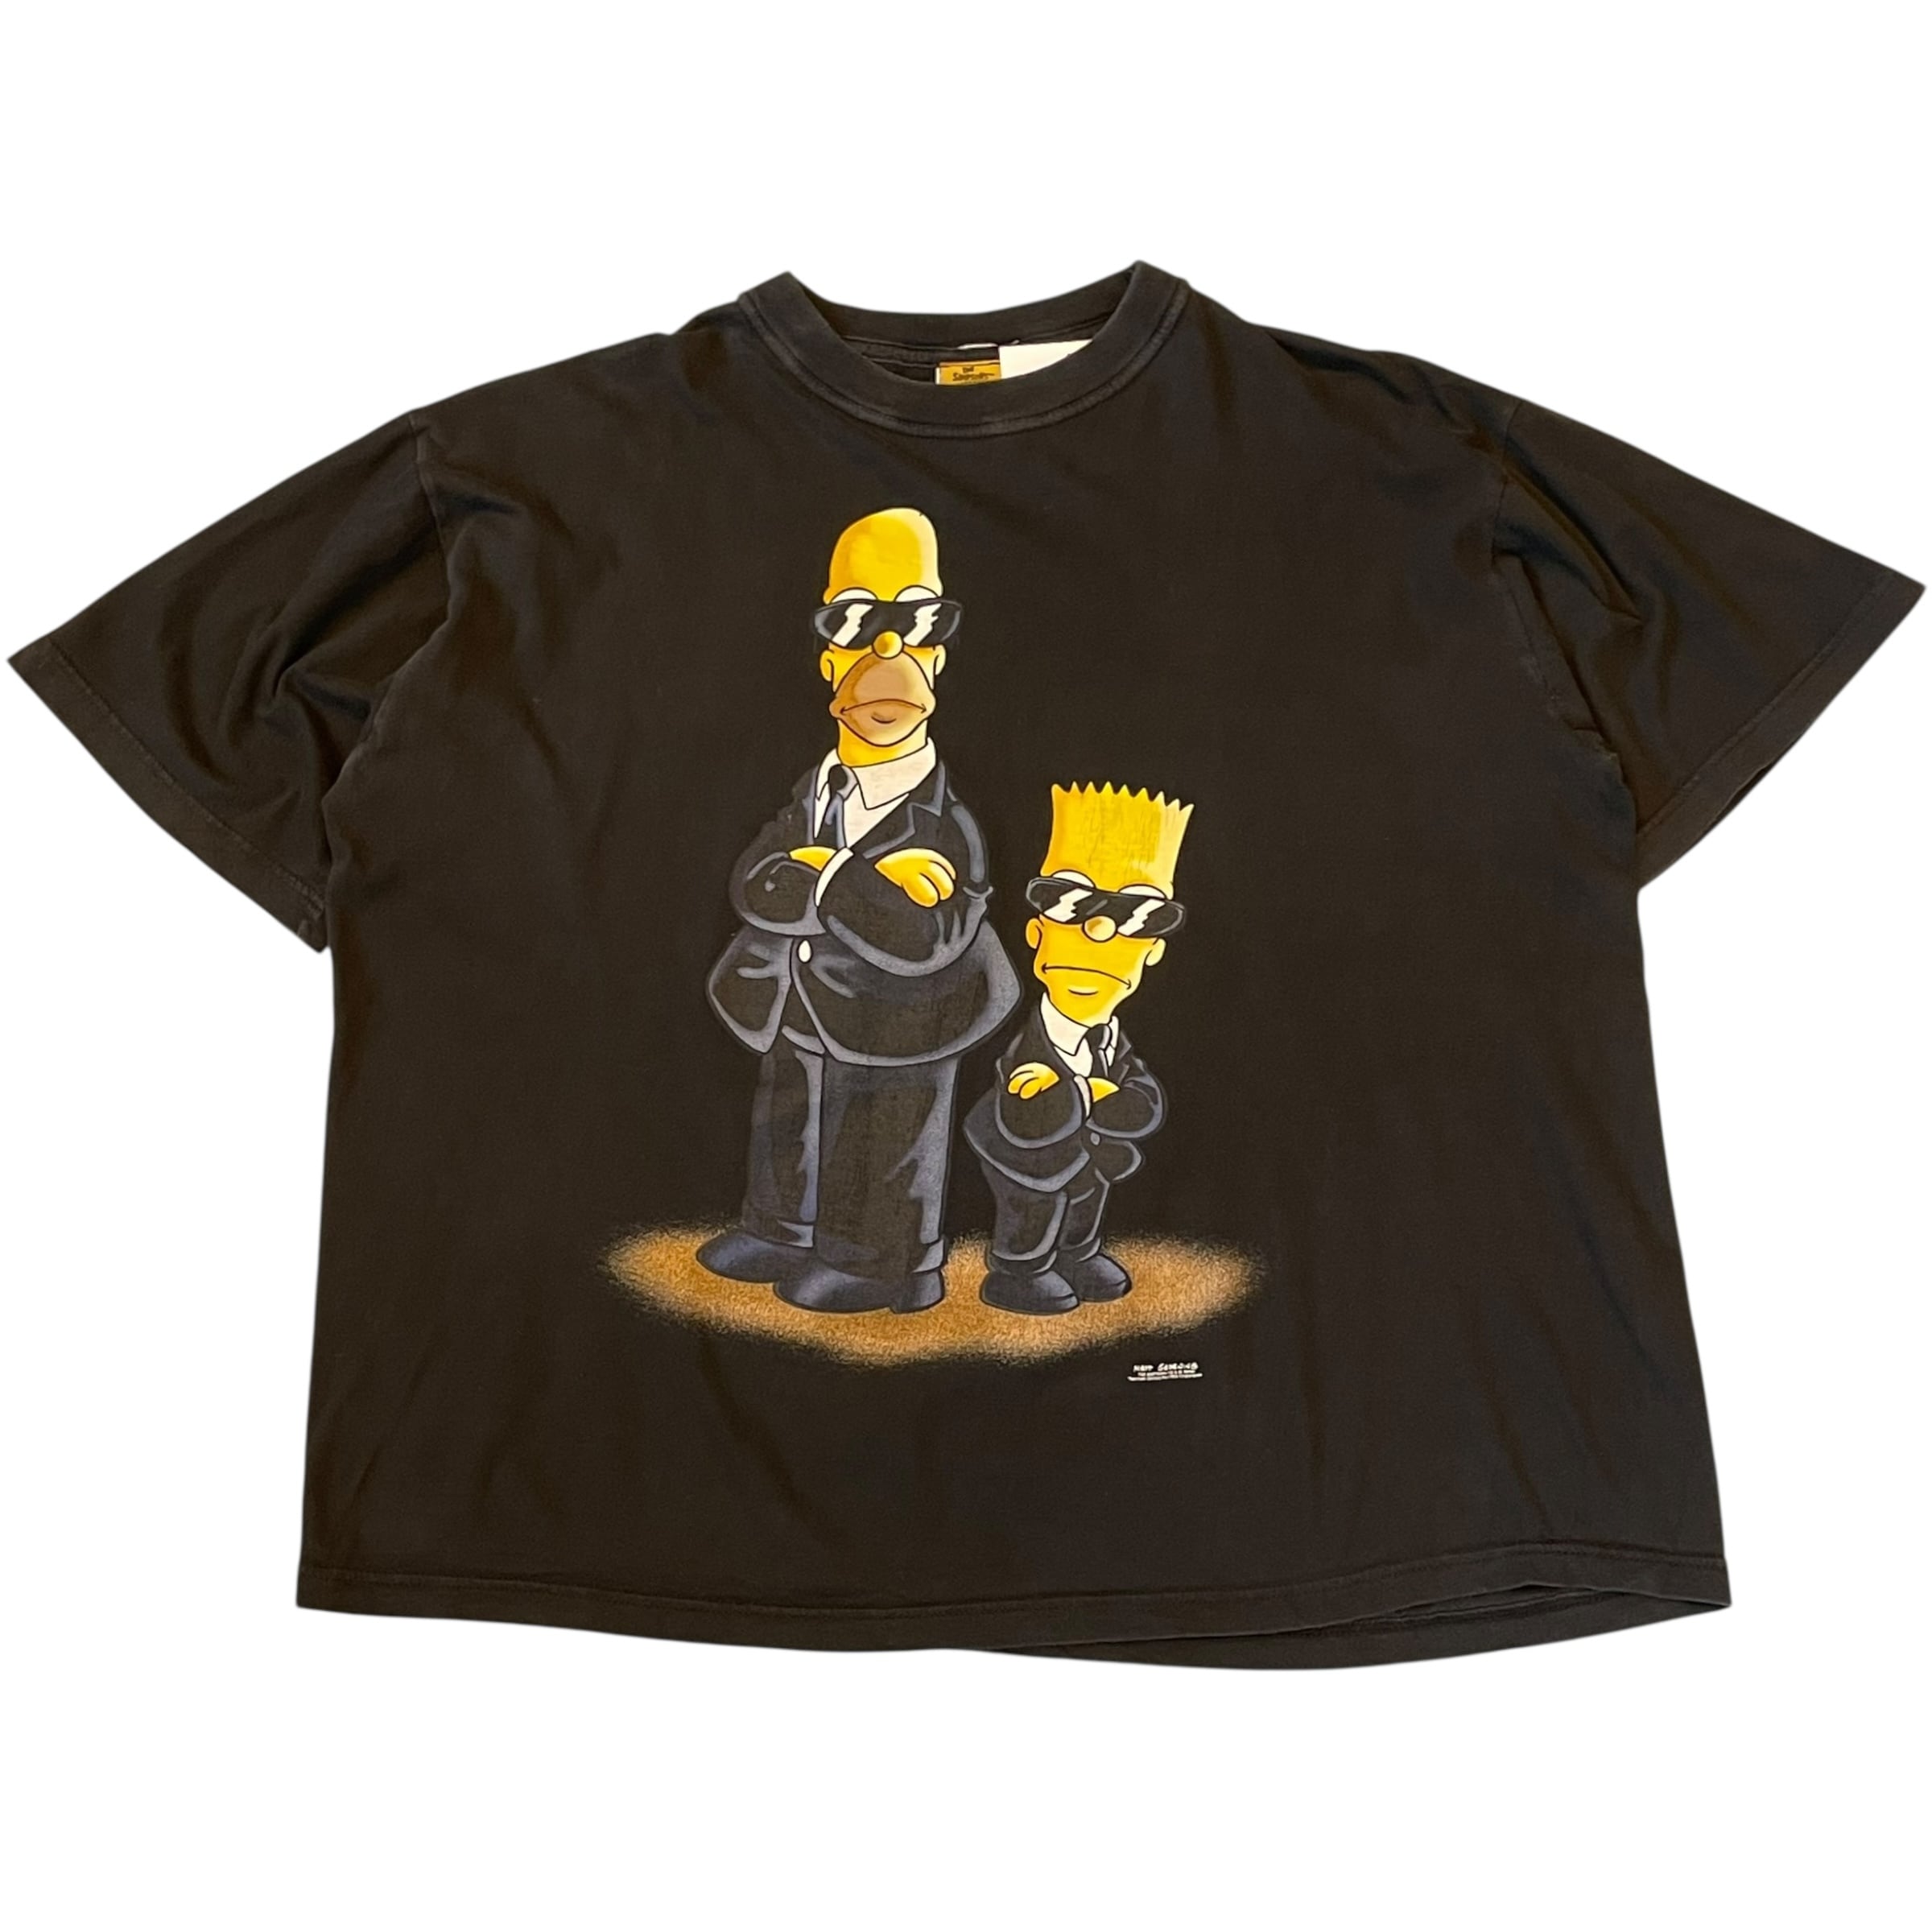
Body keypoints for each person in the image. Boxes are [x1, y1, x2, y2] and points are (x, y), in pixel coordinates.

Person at [701, 509, 1019, 1314]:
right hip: (801, 1002)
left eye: (914, 625)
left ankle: (888, 1265)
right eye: (855, 624)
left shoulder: (948, 826)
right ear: (827, 658)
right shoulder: (813, 792)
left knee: (888, 1136)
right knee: (793, 1113)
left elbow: (921, 939)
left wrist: (826, 873)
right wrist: (853, 879)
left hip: (907, 1018)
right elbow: (755, 883)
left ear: (938, 655)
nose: (886, 655)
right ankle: (782, 1227)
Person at [966, 783, 1193, 1315]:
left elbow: (1142, 1102)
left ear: (1152, 952)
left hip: (1087, 1154)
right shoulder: (1024, 1040)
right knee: (1034, 1204)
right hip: (1023, 1156)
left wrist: (1095, 1097)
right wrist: (1090, 1095)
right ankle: (1020, 1270)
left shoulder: (1114, 1044)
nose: (1098, 933)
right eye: (1069, 904)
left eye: (1135, 917)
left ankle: (1077, 1253)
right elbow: (1028, 1118)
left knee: (1086, 1196)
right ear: (1036, 934)